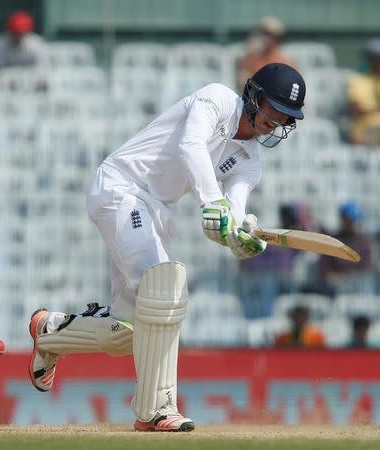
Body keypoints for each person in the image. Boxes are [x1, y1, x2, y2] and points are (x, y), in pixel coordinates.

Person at [28, 63, 306, 432]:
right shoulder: (217, 99)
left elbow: (229, 215)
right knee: (164, 291)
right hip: (121, 188)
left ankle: (51, 331)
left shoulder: (250, 162)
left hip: (156, 209)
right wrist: (212, 201)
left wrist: (240, 237)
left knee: (127, 331)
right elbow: (190, 146)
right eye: (274, 109)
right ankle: (156, 408)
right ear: (254, 97)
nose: (278, 121)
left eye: (286, 117)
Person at [317, 200, 374, 293]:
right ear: (342, 218)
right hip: (336, 288)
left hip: (359, 288)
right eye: (349, 219)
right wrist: (335, 277)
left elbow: (367, 269)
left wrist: (351, 277)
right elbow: (325, 269)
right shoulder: (332, 241)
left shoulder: (364, 242)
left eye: (354, 219)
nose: (352, 223)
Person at [235, 16, 296, 93]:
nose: (264, 38)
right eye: (262, 33)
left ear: (277, 38)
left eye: (268, 34)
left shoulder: (285, 61)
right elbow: (242, 86)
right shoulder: (250, 58)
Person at [0, 11, 49, 89]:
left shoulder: (36, 44)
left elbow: (42, 68)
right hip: (8, 84)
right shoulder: (1, 43)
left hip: (32, 83)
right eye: (15, 32)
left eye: (20, 33)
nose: (17, 36)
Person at [347, 38, 380, 145]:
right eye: (374, 58)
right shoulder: (358, 81)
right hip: (365, 132)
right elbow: (354, 111)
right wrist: (374, 111)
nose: (377, 62)